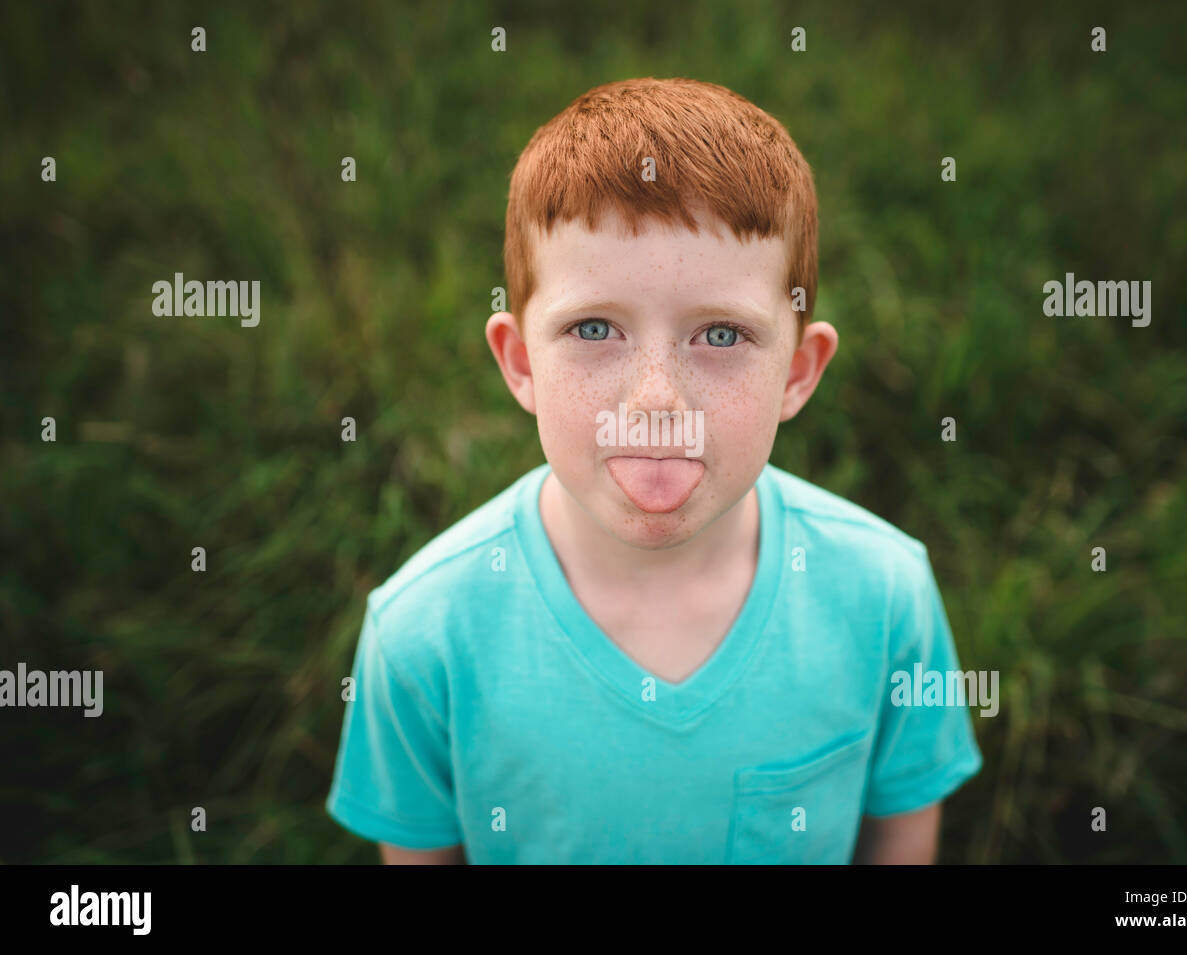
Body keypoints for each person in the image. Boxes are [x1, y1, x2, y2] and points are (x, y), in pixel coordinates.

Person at [326, 77, 982, 864]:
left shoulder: (884, 597)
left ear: (799, 373)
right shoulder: (423, 636)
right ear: (521, 361)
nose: (656, 400)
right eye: (595, 327)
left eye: (722, 336)